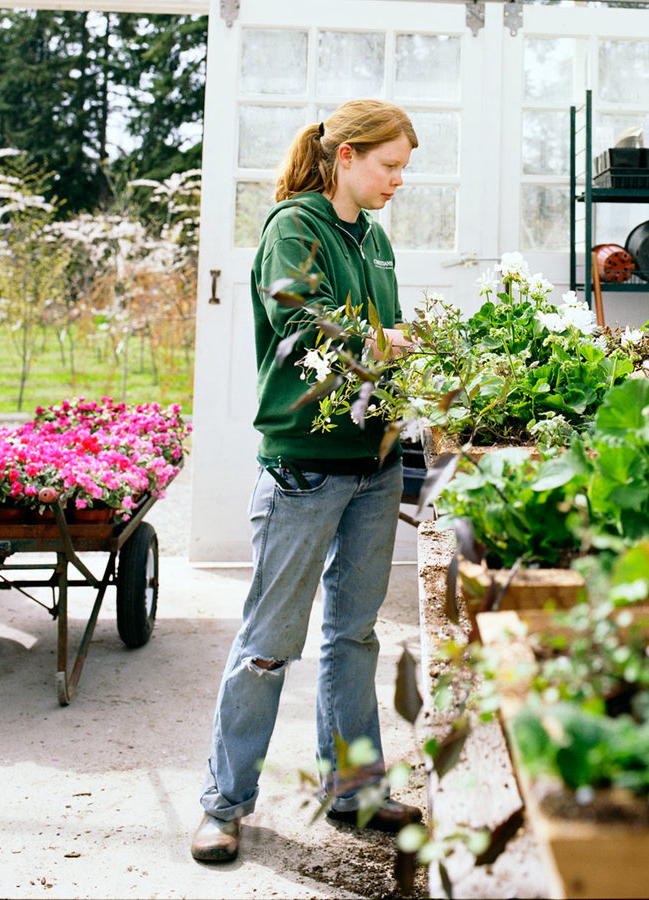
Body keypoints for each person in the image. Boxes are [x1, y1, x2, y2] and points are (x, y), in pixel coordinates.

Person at [191, 99, 421, 863]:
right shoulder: (294, 226)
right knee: (268, 644)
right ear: (346, 157)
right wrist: (382, 338)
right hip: (304, 469)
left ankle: (353, 792)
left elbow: (383, 348)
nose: (396, 181)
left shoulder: (376, 241)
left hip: (373, 471)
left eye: (403, 170)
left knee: (354, 636)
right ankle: (224, 805)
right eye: (388, 166)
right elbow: (297, 326)